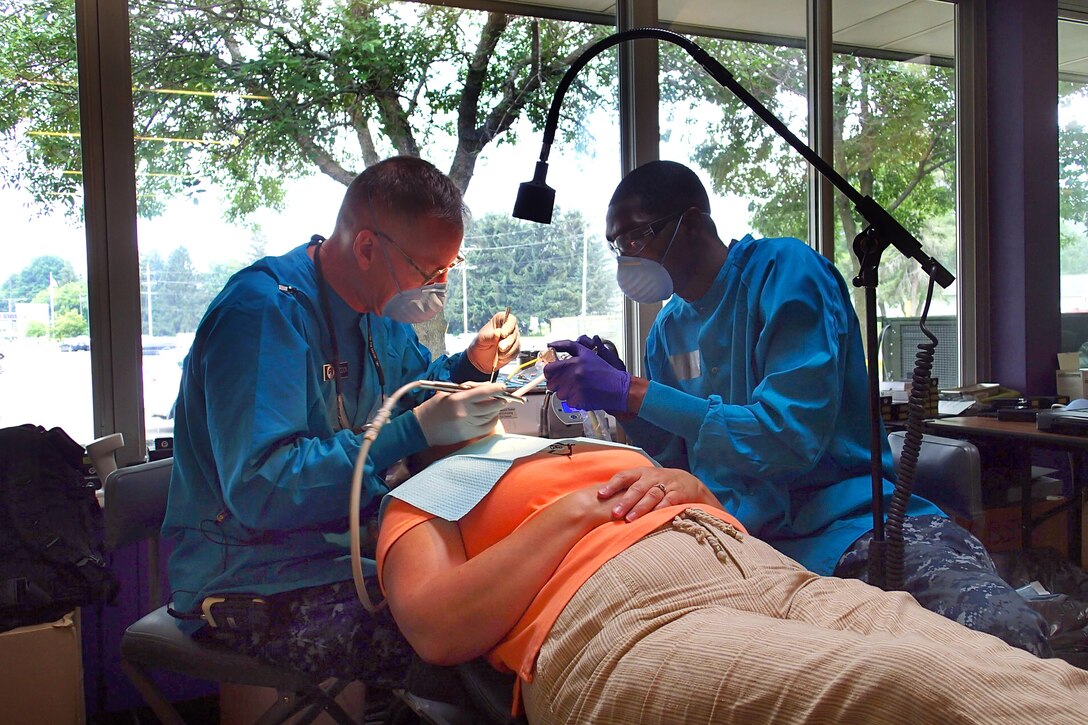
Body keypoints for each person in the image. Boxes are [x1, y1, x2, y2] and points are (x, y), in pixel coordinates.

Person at [542, 159, 1052, 657]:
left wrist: (634, 392)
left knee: (1000, 633)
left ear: (692, 224)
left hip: (850, 527)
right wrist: (631, 410)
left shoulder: (785, 274)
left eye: (635, 238)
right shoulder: (667, 329)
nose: (625, 260)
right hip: (745, 540)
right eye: (615, 246)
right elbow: (676, 459)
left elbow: (787, 439)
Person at [378, 433, 1088, 724]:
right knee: (907, 686)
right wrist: (566, 515)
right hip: (625, 618)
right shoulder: (429, 491)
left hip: (772, 573)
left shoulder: (592, 442)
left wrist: (690, 486)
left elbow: (719, 500)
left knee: (999, 664)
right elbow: (437, 625)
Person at [161, 155, 520, 690]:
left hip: (342, 555)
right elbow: (265, 487)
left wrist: (470, 364)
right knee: (471, 647)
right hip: (251, 578)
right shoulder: (263, 314)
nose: (441, 285)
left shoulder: (377, 313)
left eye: (450, 267)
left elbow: (412, 392)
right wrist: (414, 431)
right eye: (429, 270)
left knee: (507, 602)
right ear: (368, 248)